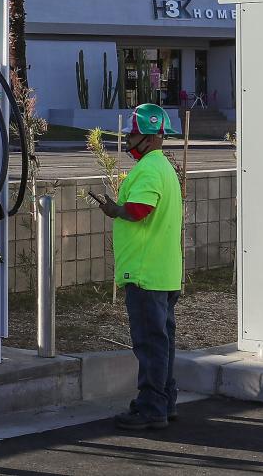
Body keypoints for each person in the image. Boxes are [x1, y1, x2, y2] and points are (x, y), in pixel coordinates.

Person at [95, 103, 182, 430]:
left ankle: (150, 407)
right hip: (165, 272)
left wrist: (114, 209)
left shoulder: (147, 170)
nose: (129, 139)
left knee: (149, 342)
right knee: (164, 342)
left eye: (133, 133)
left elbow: (139, 209)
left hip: (145, 274)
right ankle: (165, 400)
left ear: (149, 137)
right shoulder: (165, 167)